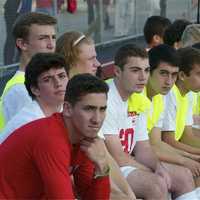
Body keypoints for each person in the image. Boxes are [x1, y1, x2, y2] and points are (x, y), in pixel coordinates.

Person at [0, 73, 110, 199]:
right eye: (89, 109)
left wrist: (102, 167)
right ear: (68, 109)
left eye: (102, 109)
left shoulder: (85, 141)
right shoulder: (51, 139)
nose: (97, 119)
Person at [56, 31, 136, 199]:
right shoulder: (60, 104)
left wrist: (129, 195)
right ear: (70, 62)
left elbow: (103, 156)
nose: (98, 64)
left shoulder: (89, 97)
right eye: (91, 59)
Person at [99, 43, 172, 200]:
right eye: (135, 70)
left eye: (146, 70)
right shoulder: (105, 98)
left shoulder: (138, 98)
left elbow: (143, 148)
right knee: (155, 185)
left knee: (182, 175)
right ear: (117, 71)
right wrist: (150, 171)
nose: (143, 77)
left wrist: (158, 167)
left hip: (126, 163)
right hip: (107, 168)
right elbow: (117, 157)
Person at [129, 44, 199, 199]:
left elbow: (156, 142)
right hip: (130, 158)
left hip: (139, 156)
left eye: (173, 75)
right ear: (149, 71)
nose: (169, 81)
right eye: (163, 73)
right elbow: (159, 143)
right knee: (184, 173)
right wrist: (185, 159)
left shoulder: (159, 98)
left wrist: (190, 158)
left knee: (189, 170)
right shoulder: (137, 96)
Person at [0, 12, 57, 131]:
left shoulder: (38, 82)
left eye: (53, 37)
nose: (51, 45)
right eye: (43, 38)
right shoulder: (20, 90)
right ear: (22, 44)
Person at [0, 52, 69, 143]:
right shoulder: (31, 122)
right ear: (35, 89)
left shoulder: (64, 111)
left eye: (61, 76)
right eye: (47, 79)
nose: (58, 83)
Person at [162, 47, 200, 156]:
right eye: (199, 74)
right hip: (163, 151)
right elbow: (168, 141)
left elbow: (186, 135)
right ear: (182, 75)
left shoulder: (189, 94)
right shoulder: (170, 94)